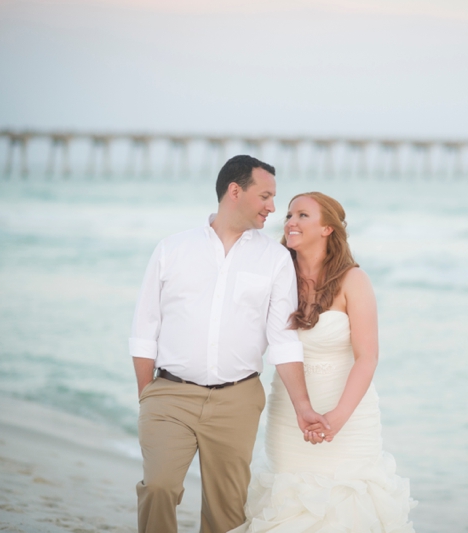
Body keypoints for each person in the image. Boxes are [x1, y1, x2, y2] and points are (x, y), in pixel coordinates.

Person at [129, 156, 329, 533]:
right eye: (266, 196)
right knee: (158, 487)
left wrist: (303, 407)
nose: (274, 208)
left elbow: (283, 340)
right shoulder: (172, 249)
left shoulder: (274, 259)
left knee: (226, 513)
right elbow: (144, 329)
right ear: (235, 191)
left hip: (237, 400)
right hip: (170, 395)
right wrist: (147, 396)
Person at [230, 192, 416, 532]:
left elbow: (367, 357)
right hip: (289, 416)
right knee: (289, 505)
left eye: (302, 215)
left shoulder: (353, 280)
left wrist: (336, 419)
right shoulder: (276, 275)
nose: (290, 222)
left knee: (347, 508)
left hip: (348, 416)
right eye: (289, 215)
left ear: (328, 228)